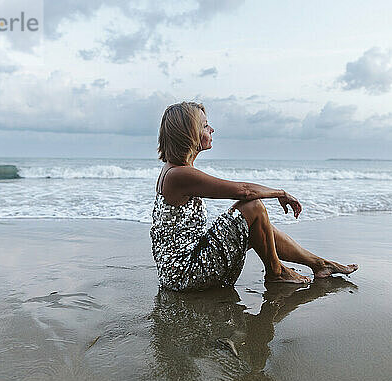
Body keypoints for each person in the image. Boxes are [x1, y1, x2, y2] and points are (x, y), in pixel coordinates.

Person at [150, 102, 358, 292]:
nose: (212, 130)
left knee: (257, 224)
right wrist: (281, 193)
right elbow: (244, 191)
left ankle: (319, 265)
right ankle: (276, 272)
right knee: (253, 207)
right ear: (189, 134)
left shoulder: (174, 170)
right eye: (205, 126)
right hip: (186, 275)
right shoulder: (180, 174)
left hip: (186, 266)